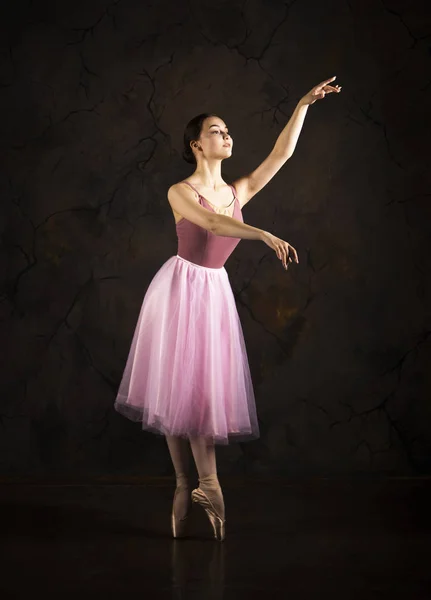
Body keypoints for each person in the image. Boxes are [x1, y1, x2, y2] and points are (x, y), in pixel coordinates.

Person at [114, 76, 342, 541]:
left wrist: (302, 105)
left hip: (213, 292)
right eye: (217, 130)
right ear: (197, 145)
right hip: (180, 290)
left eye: (227, 130)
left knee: (198, 392)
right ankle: (189, 485)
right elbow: (214, 223)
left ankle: (207, 486)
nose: (227, 135)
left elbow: (282, 155)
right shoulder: (180, 191)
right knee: (175, 391)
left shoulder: (239, 189)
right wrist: (260, 233)